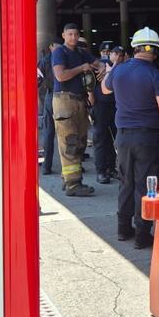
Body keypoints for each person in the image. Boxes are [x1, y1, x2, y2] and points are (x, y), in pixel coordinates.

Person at [102, 28, 159, 248]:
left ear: (134, 48)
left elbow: (104, 89)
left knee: (125, 181)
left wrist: (112, 69)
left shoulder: (119, 70)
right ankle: (142, 234)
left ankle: (123, 228)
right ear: (155, 51)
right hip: (147, 137)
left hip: (123, 136)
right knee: (146, 184)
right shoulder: (156, 75)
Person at [51, 22, 103, 196]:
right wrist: (81, 68)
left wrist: (101, 68)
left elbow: (97, 62)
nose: (73, 37)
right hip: (64, 100)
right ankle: (73, 185)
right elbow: (60, 75)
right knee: (70, 142)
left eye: (75, 34)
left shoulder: (81, 52)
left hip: (79, 100)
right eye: (70, 34)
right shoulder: (59, 52)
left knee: (80, 142)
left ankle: (68, 179)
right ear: (64, 35)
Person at [90, 44, 119, 185]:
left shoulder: (118, 66)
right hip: (100, 106)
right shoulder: (96, 66)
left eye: (109, 51)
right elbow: (89, 84)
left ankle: (111, 168)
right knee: (101, 140)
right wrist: (90, 99)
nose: (107, 54)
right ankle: (101, 171)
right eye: (104, 51)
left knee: (115, 139)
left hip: (115, 106)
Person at [37, 41, 60, 175]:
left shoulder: (45, 59)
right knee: (66, 134)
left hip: (50, 97)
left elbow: (37, 80)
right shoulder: (66, 55)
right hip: (65, 97)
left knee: (48, 133)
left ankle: (46, 166)